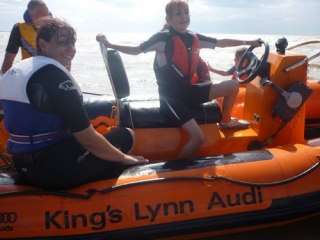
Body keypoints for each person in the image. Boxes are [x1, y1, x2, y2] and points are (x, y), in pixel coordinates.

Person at [96, 0, 261, 159]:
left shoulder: (193, 37)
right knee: (198, 138)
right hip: (171, 99)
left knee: (232, 86)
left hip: (188, 91)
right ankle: (177, 167)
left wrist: (250, 42)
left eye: (186, 12)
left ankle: (226, 121)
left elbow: (221, 42)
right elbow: (136, 50)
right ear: (168, 19)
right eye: (178, 13)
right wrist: (109, 44)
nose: (184, 17)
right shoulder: (162, 39)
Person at [0, 18, 148, 190]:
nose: (71, 49)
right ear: (43, 44)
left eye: (73, 42)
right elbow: (87, 139)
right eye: (63, 42)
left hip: (23, 165)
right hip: (54, 172)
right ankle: (112, 197)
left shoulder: (16, 71)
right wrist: (125, 159)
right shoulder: (55, 77)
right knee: (126, 135)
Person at [1, 0, 51, 75]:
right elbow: (8, 62)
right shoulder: (18, 29)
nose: (47, 19)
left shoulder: (54, 28)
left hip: (51, 72)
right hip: (28, 74)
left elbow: (64, 58)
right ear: (31, 15)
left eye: (48, 15)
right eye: (43, 16)